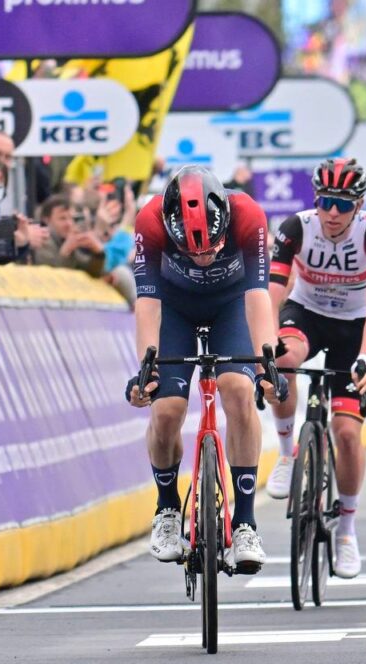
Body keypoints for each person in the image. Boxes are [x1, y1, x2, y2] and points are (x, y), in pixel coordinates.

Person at [126, 165, 286, 573]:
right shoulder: (150, 220)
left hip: (231, 306)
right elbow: (147, 303)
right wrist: (147, 366)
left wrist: (266, 361)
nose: (203, 257)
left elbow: (257, 297)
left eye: (212, 247)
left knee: (237, 389)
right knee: (166, 410)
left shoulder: (248, 214)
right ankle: (166, 512)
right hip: (175, 309)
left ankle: (246, 522)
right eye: (193, 251)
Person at [264, 158, 366, 580]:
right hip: (309, 312)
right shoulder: (297, 227)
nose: (332, 213)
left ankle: (347, 530)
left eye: (342, 205)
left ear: (359, 205)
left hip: (355, 326)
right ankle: (285, 454)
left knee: (348, 432)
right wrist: (261, 343)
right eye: (325, 202)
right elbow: (274, 291)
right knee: (280, 359)